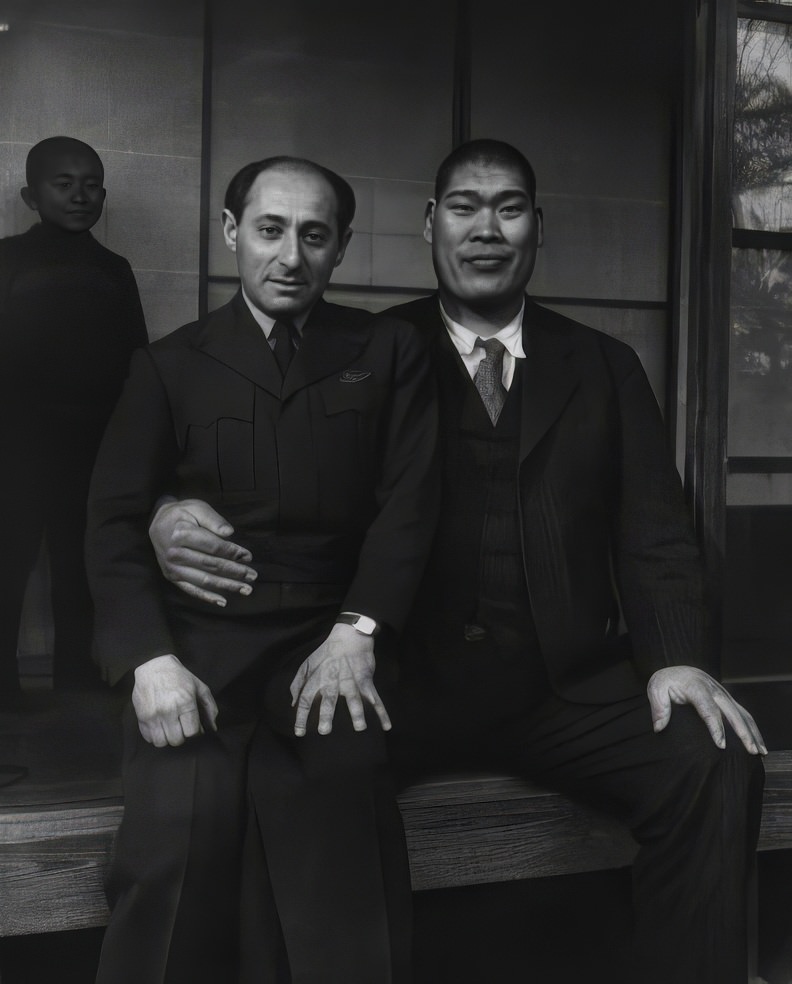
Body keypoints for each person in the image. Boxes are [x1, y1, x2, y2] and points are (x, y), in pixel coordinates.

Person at [149, 140, 766, 984]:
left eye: (509, 208)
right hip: (401, 677)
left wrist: (680, 659)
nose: (487, 229)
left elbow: (655, 532)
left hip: (563, 687)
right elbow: (271, 493)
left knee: (714, 756)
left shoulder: (604, 365)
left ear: (537, 228)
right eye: (466, 208)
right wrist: (161, 513)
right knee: (301, 759)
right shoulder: (364, 352)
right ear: (431, 224)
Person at [85, 156, 438, 983]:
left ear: (342, 246)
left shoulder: (386, 350)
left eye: (315, 236)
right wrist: (149, 661)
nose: (291, 257)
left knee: (343, 804)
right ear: (232, 231)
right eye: (271, 230)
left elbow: (412, 505)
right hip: (196, 646)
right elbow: (109, 519)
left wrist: (360, 632)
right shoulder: (169, 363)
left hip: (326, 639)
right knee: (180, 819)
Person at [0, 136, 147, 704]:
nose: (81, 195)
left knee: (81, 574)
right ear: (30, 196)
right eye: (64, 184)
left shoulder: (115, 269)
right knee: (6, 568)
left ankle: (78, 694)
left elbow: (136, 357)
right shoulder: (7, 259)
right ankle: (4, 699)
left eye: (92, 185)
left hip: (91, 446)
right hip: (14, 445)